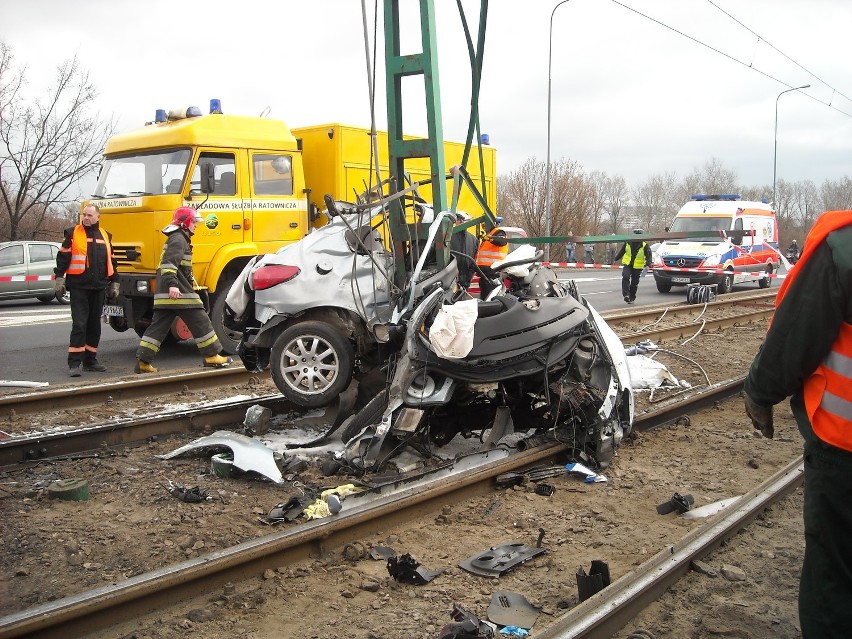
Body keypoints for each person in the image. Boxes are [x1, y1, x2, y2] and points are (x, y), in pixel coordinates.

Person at [743, 209, 852, 637]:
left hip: (844, 449)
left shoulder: (842, 244)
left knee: (836, 578)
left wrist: (761, 392)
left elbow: (796, 333)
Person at [135, 207, 231, 373]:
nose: (196, 225)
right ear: (185, 223)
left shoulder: (177, 238)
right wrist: (173, 285)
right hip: (177, 293)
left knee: (157, 329)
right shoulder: (179, 239)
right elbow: (168, 265)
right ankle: (212, 356)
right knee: (201, 320)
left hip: (166, 294)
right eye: (194, 222)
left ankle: (143, 362)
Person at [54, 203, 119, 377]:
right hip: (79, 287)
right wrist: (59, 279)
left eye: (90, 215)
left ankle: (90, 361)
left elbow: (112, 262)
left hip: (98, 287)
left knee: (94, 326)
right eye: (84, 214)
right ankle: (74, 363)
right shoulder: (73, 233)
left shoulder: (105, 235)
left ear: (98, 217)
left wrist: (115, 283)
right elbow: (63, 257)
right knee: (80, 325)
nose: (86, 218)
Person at [613, 228, 652, 304]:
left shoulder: (644, 245)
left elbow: (649, 256)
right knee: (625, 276)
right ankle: (626, 295)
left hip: (638, 267)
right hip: (628, 264)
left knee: (634, 283)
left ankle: (632, 297)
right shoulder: (628, 242)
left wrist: (648, 265)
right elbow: (622, 251)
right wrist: (616, 259)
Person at [474, 227, 510, 299]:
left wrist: (490, 238)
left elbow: (501, 241)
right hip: (486, 274)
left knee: (489, 299)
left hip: (493, 274)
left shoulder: (499, 232)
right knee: (486, 298)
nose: (483, 225)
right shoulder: (490, 234)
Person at [449, 212, 479, 289]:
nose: (462, 222)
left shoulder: (473, 239)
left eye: (463, 220)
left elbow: (475, 259)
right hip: (451, 279)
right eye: (459, 219)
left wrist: (469, 277)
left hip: (465, 280)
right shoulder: (448, 237)